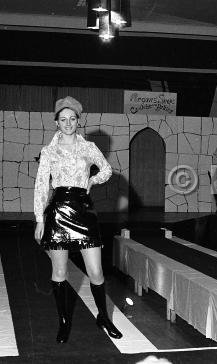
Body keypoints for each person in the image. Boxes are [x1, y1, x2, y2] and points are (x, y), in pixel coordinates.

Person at [33, 96, 122, 343]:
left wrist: (91, 181)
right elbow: (41, 186)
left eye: (72, 119)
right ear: (56, 122)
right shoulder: (48, 151)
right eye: (63, 119)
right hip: (58, 211)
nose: (68, 123)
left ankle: (103, 316)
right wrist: (39, 219)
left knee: (96, 271)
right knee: (59, 271)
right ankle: (63, 321)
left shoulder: (89, 148)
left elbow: (106, 170)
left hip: (84, 211)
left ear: (78, 121)